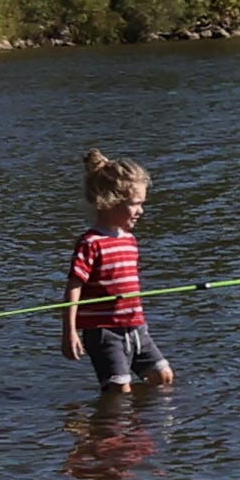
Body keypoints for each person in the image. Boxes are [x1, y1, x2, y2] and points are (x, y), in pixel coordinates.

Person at [62, 151, 176, 393]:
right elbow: (74, 286)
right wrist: (70, 331)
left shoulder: (130, 240)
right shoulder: (91, 243)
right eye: (135, 204)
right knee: (119, 392)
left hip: (137, 328)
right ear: (110, 201)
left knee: (163, 376)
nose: (141, 211)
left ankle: (143, 423)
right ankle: (107, 429)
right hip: (104, 333)